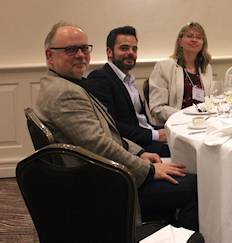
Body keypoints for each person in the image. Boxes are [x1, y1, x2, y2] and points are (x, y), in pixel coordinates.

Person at [34, 22, 199, 230]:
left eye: (84, 48)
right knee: (196, 186)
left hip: (106, 173)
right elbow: (100, 146)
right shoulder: (65, 93)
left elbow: (107, 132)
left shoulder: (66, 85)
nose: (81, 55)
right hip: (108, 188)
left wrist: (139, 153)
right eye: (71, 49)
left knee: (181, 170)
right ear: (50, 56)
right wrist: (148, 170)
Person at [88, 26, 170, 157]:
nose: (130, 53)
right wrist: (155, 135)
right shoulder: (100, 78)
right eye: (124, 48)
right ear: (109, 52)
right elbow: (111, 126)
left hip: (146, 134)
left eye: (134, 49)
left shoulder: (128, 80)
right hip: (132, 147)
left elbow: (141, 122)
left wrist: (161, 131)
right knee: (184, 151)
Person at [149, 22, 213, 125]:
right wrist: (183, 116)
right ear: (180, 42)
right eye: (189, 36)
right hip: (177, 125)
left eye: (198, 37)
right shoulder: (164, 66)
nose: (194, 40)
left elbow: (210, 101)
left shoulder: (206, 68)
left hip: (203, 123)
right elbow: (157, 108)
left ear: (203, 44)